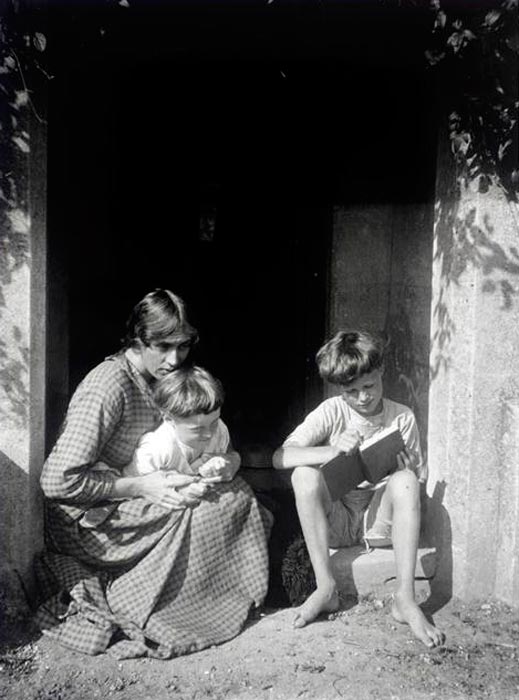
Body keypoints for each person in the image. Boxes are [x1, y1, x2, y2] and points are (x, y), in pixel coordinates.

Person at [37, 289, 270, 659]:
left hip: (136, 493)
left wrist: (228, 460)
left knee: (234, 494)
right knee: (215, 509)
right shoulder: (108, 385)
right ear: (137, 337)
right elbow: (56, 482)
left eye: (182, 347)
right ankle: (148, 603)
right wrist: (141, 486)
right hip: (90, 519)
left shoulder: (166, 377)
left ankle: (208, 601)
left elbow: (204, 438)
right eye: (162, 346)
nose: (174, 359)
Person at [272, 330, 444, 648]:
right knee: (303, 475)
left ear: (381, 374)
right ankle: (326, 588)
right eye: (352, 391)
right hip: (336, 515)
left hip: (377, 519)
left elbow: (413, 487)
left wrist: (407, 472)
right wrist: (331, 450)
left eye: (370, 386)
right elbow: (281, 456)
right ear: (339, 389)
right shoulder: (332, 411)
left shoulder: (401, 417)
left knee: (405, 480)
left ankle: (405, 599)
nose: (363, 397)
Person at [79, 365, 239, 528]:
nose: (208, 434)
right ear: (169, 420)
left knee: (236, 499)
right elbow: (133, 486)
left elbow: (229, 453)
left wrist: (226, 462)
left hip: (197, 495)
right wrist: (179, 491)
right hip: (145, 498)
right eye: (197, 429)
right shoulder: (159, 447)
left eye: (213, 422)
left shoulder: (219, 430)